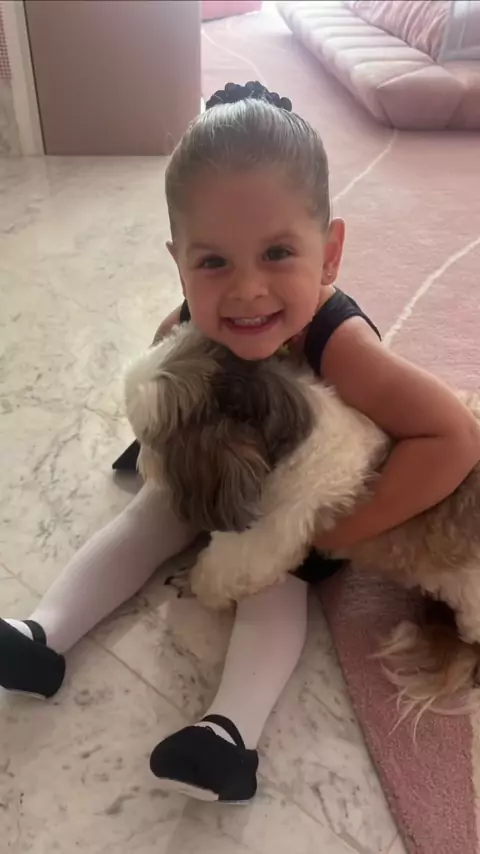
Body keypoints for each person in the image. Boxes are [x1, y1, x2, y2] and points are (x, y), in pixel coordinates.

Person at [1, 81, 479, 804]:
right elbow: (166, 362)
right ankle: (43, 634)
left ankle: (229, 735)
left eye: (278, 253)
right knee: (151, 512)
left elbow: (454, 437)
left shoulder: (341, 343)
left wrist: (336, 531)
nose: (248, 290)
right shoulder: (194, 321)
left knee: (272, 584)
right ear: (179, 262)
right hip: (235, 470)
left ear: (330, 254)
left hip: (315, 502)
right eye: (213, 263)